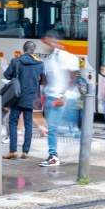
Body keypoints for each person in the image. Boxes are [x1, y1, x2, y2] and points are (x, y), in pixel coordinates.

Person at [40, 34, 79, 166]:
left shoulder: (65, 57)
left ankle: (53, 156)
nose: (46, 45)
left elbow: (72, 79)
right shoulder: (49, 59)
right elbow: (46, 79)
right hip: (50, 97)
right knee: (59, 127)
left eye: (48, 41)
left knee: (52, 128)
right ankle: (86, 142)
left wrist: (63, 95)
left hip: (60, 97)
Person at [2, 41, 45, 160]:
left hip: (17, 96)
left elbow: (7, 75)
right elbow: (43, 79)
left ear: (23, 50)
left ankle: (13, 151)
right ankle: (25, 151)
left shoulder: (15, 61)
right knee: (28, 124)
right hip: (31, 97)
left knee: (13, 122)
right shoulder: (39, 64)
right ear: (34, 51)